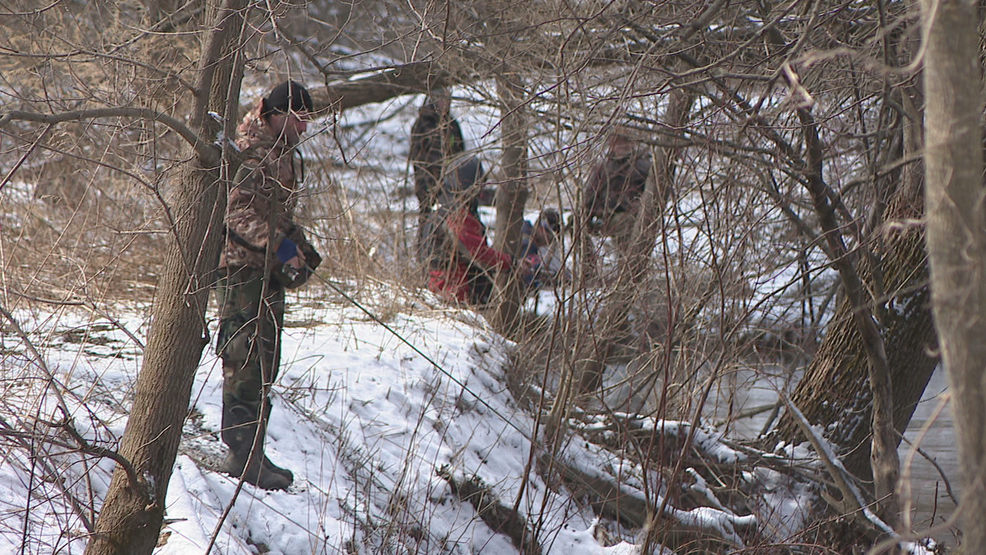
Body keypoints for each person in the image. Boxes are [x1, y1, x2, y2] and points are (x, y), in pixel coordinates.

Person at [214, 80, 321, 490]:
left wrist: (298, 244)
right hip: (241, 273)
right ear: (276, 113)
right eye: (299, 118)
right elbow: (236, 215)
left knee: (265, 363)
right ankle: (241, 455)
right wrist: (279, 246)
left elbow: (270, 212)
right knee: (244, 362)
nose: (304, 128)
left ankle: (253, 451)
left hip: (264, 274)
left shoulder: (280, 152)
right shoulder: (254, 153)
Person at [424, 155, 530, 305]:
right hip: (454, 293)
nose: (482, 187)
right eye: (479, 182)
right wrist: (510, 262)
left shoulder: (443, 205)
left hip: (443, 289)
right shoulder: (457, 213)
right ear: (470, 182)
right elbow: (476, 251)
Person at [409, 89, 467, 263]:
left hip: (450, 185)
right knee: (428, 222)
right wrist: (429, 187)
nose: (445, 104)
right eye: (441, 100)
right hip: (428, 184)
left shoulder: (451, 124)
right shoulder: (423, 124)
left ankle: (447, 263)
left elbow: (460, 154)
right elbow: (419, 160)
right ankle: (424, 262)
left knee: (450, 223)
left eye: (447, 100)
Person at [581, 128, 652, 243]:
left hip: (635, 217)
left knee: (627, 225)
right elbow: (589, 196)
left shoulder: (643, 166)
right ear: (612, 144)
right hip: (608, 217)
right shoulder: (602, 169)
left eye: (627, 141)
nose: (623, 145)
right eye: (619, 142)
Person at [519, 208, 569, 289]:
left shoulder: (524, 229)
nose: (548, 243)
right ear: (542, 230)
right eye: (550, 238)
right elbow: (531, 276)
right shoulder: (527, 244)